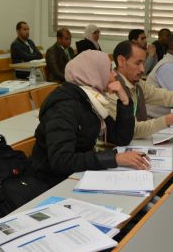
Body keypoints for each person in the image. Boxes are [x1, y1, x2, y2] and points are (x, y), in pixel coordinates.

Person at [31, 50, 148, 189]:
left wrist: (125, 101)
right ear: (94, 73)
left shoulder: (92, 100)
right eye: (109, 70)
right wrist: (114, 158)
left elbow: (121, 138)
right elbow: (61, 160)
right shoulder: (65, 107)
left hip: (76, 175)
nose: (115, 74)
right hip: (51, 182)